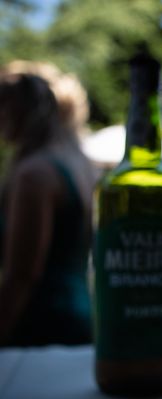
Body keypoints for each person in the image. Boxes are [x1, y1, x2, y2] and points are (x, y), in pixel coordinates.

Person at [0, 62, 95, 346]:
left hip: (39, 325)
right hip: (80, 316)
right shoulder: (81, 167)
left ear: (26, 112)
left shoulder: (35, 175)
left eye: (4, 105)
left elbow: (22, 275)